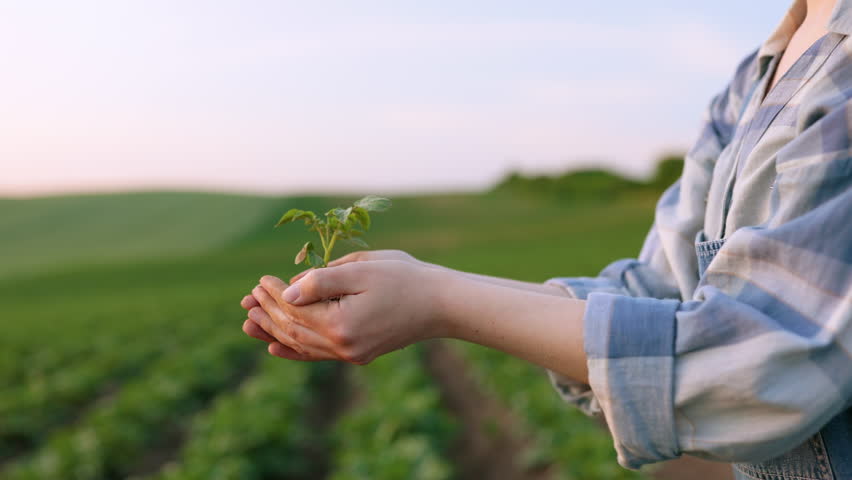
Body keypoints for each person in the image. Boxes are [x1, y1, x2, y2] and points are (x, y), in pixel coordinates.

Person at [240, 0, 852, 477]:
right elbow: (657, 295)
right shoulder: (755, 77)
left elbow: (754, 366)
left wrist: (437, 300)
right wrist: (425, 284)